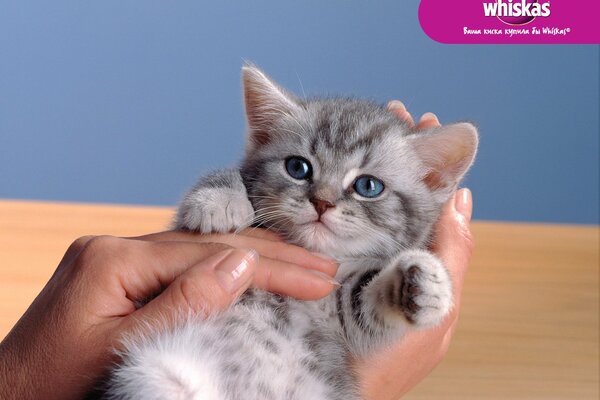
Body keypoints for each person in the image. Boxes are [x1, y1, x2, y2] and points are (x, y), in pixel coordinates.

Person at [0, 105, 474, 400]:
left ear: (433, 183)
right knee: (154, 381)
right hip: (186, 376)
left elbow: (361, 316)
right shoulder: (253, 221)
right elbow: (232, 195)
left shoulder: (358, 266)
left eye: (366, 186)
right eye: (300, 168)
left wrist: (404, 288)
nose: (324, 199)